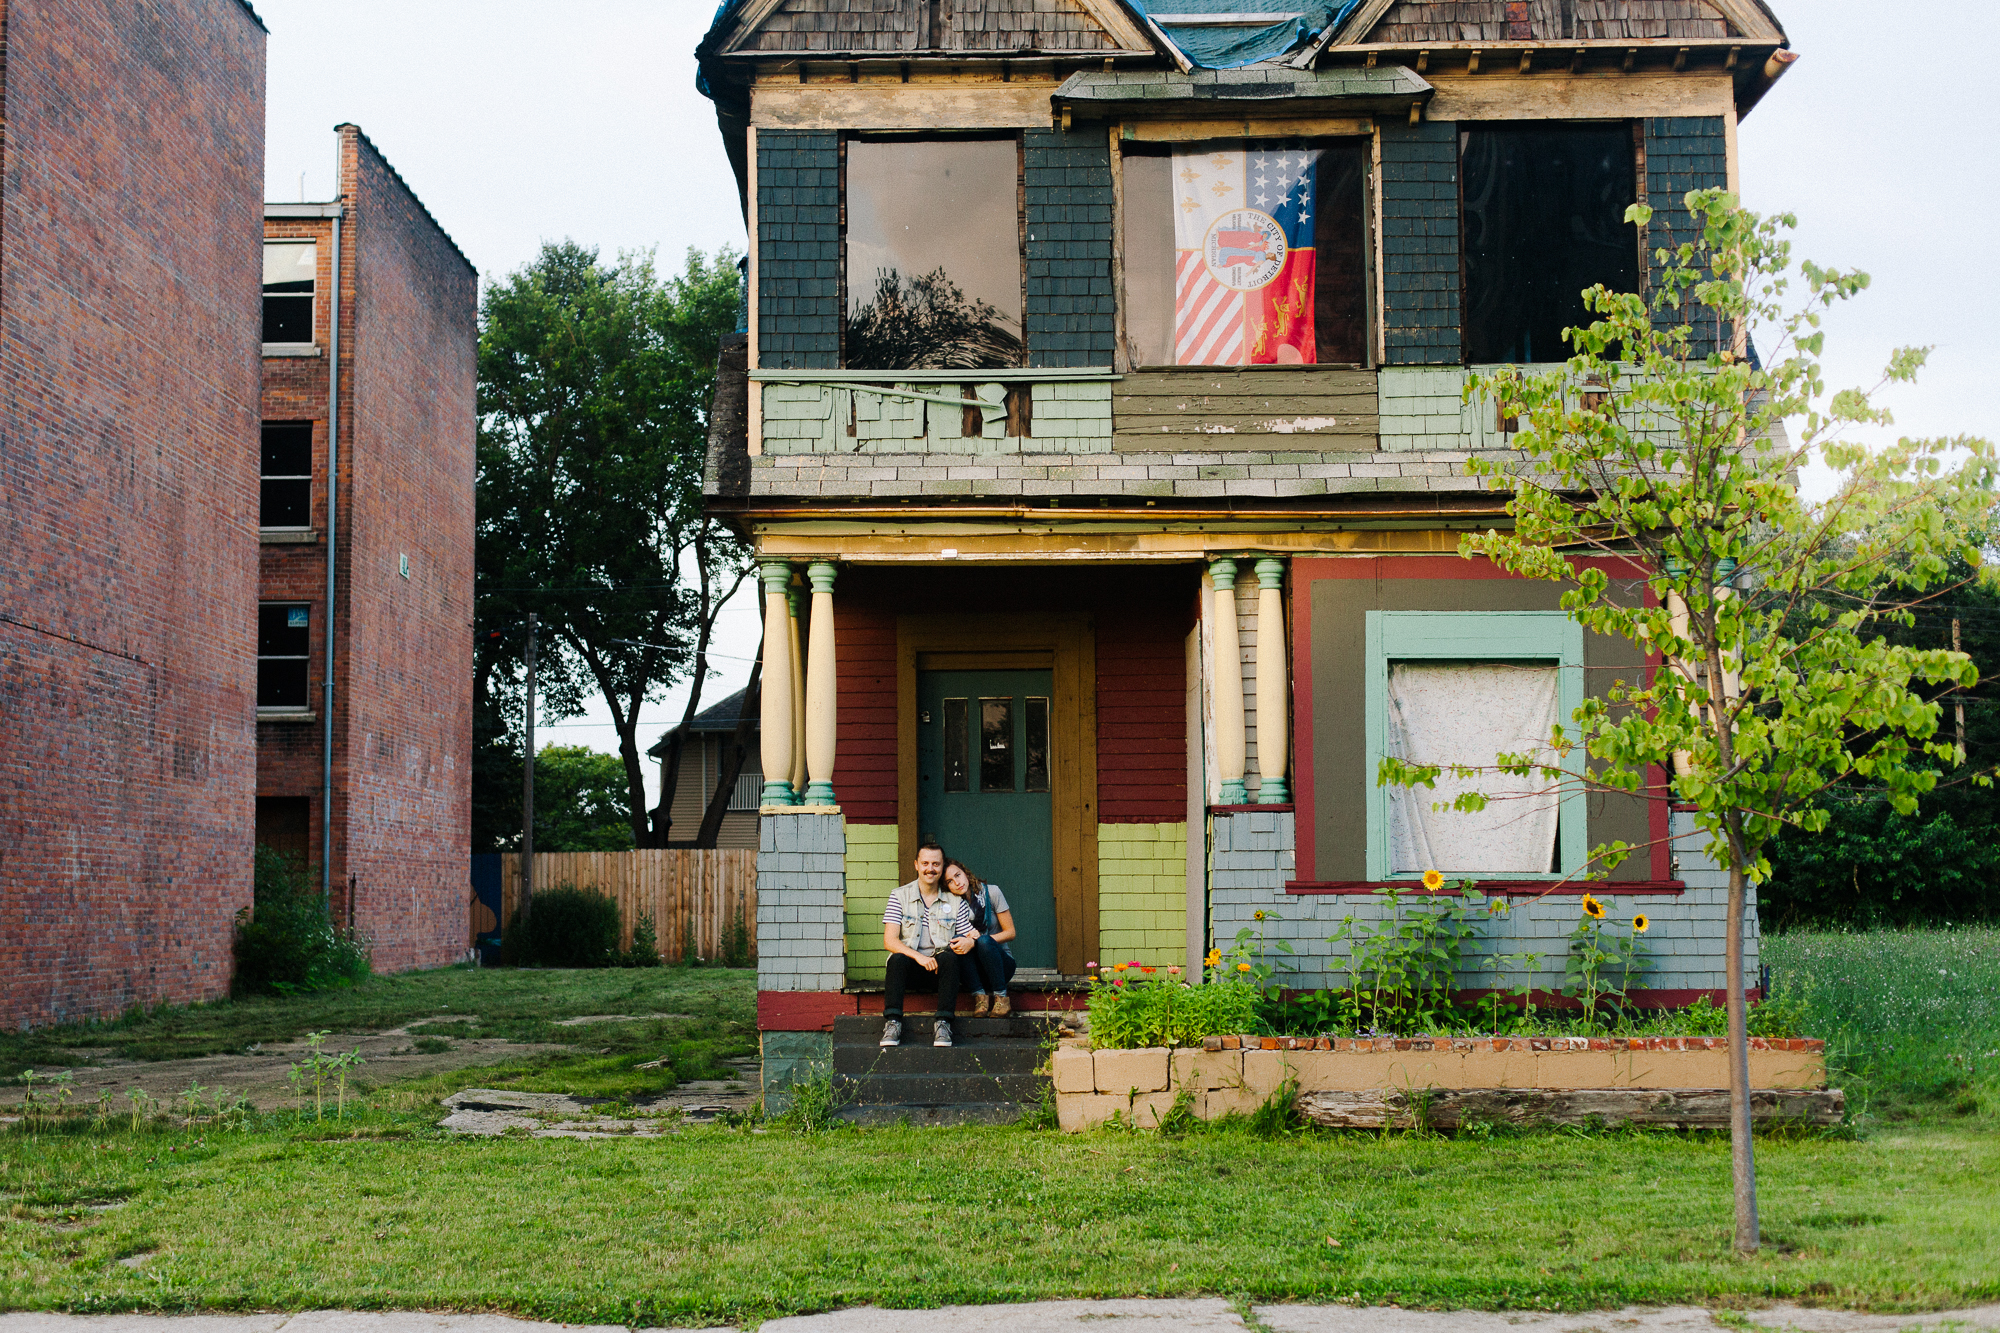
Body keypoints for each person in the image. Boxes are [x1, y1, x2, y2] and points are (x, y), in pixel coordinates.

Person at [879, 836, 977, 1048]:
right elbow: (889, 940)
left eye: (935, 864)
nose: (930, 869)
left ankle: (943, 1024)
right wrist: (920, 957)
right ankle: (893, 1022)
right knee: (896, 959)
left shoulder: (955, 900)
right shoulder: (899, 896)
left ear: (942, 868)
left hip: (941, 973)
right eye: (925, 863)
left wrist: (970, 942)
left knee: (950, 959)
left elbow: (968, 933)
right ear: (916, 865)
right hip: (909, 971)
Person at [944, 859, 1016, 1016]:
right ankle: (980, 998)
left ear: (966, 873)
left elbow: (1010, 932)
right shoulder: (950, 905)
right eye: (950, 881)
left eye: (958, 875)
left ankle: (1002, 999)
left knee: (983, 941)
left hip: (1001, 967)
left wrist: (975, 941)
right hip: (973, 973)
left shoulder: (992, 893)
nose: (957, 882)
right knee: (957, 939)